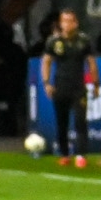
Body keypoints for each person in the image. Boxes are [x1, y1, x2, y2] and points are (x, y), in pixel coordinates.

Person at [39, 9, 94, 167]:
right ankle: (65, 154)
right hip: (60, 86)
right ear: (61, 23)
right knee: (62, 122)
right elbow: (46, 61)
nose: (67, 24)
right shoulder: (54, 42)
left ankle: (81, 155)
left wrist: (95, 83)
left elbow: (91, 62)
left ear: (76, 23)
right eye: (64, 21)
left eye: (70, 21)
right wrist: (46, 83)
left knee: (80, 121)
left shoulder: (83, 41)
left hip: (78, 87)